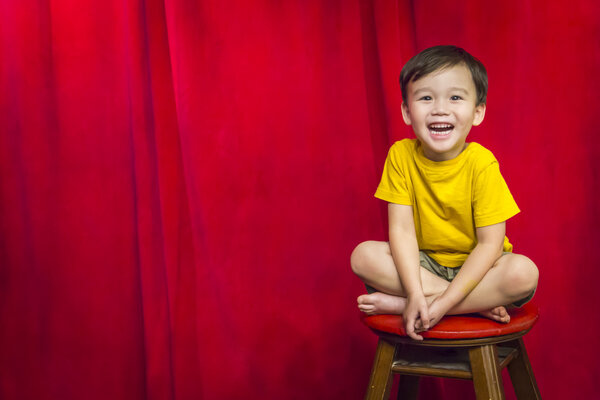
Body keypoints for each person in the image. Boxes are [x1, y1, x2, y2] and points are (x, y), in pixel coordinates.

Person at [351, 45, 539, 341]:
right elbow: (401, 231)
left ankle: (423, 305)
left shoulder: (481, 163)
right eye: (426, 98)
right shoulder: (400, 155)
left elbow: (489, 245)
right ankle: (473, 306)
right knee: (363, 256)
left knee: (523, 273)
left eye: (455, 97)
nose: (439, 108)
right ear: (406, 111)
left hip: (479, 270)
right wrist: (414, 291)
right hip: (423, 265)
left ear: (477, 112)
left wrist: (436, 303)